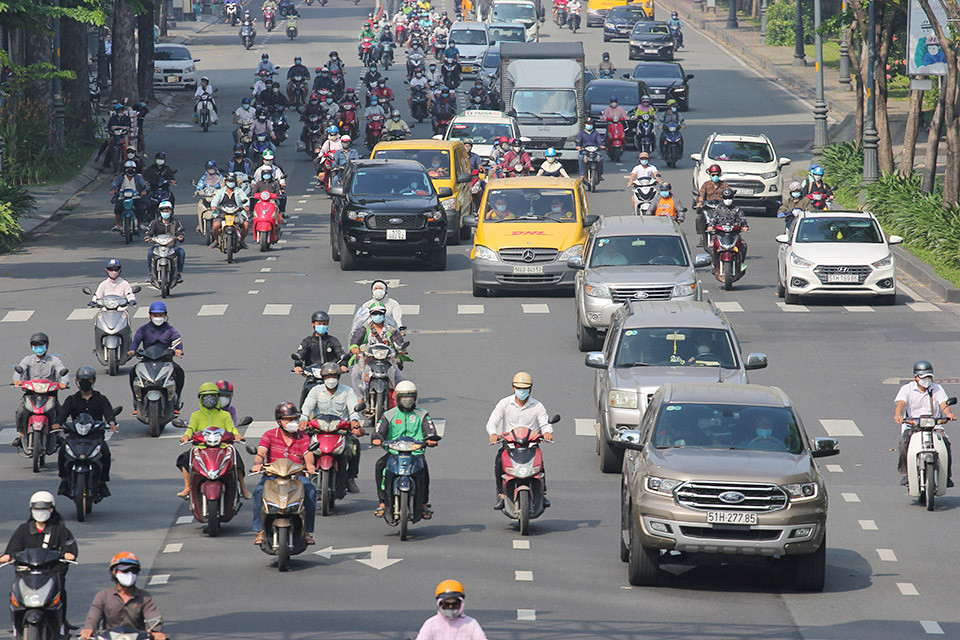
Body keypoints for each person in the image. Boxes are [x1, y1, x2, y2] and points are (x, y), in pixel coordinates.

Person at [2, 492, 78, 627]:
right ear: (31, 510)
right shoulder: (23, 529)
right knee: (15, 593)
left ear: (52, 509)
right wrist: (7, 556)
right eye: (37, 509)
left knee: (60, 590)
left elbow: (70, 548)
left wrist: (67, 554)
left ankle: (60, 623)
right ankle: (17, 624)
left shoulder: (60, 530)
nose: (40, 512)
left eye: (44, 508)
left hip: (51, 573)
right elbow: (12, 549)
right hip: (27, 574)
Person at [251, 403, 317, 545]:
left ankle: (307, 531)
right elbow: (261, 453)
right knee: (258, 491)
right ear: (279, 421)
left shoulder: (303, 437)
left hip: (296, 476)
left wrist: (310, 465)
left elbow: (308, 453)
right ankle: (260, 530)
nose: (293, 422)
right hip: (272, 476)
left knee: (310, 490)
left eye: (295, 418)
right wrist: (257, 464)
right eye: (288, 419)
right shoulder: (269, 435)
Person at [485, 372, 553, 510]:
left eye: (525, 388)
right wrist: (493, 434)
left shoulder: (538, 406)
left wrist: (547, 433)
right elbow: (492, 422)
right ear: (513, 388)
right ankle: (501, 494)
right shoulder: (504, 404)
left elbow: (545, 423)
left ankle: (542, 492)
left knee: (540, 465)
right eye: (518, 388)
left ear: (531, 389)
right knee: (499, 462)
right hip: (509, 446)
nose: (522, 391)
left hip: (531, 446)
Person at [371, 380, 438, 518]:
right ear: (397, 398)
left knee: (423, 470)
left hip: (416, 453)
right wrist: (377, 438)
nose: (407, 401)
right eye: (404, 398)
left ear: (415, 398)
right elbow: (379, 430)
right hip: (394, 453)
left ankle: (423, 503)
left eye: (410, 397)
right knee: (380, 466)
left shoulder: (422, 414)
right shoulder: (389, 415)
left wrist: (431, 439)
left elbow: (430, 429)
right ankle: (383, 502)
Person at [176, 383, 250, 499]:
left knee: (236, 459)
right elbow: (190, 428)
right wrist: (186, 436)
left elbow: (231, 427)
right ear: (200, 399)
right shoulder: (196, 415)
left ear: (217, 398)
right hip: (201, 448)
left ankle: (243, 487)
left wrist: (237, 435)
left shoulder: (224, 415)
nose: (209, 400)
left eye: (212, 397)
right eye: (205, 397)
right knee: (184, 459)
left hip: (222, 447)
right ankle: (187, 487)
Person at [299, 362, 363, 494]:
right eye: (327, 377)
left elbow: (353, 409)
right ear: (323, 378)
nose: (331, 379)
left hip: (340, 430)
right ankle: (302, 475)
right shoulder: (316, 391)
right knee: (303, 446)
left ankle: (351, 478)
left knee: (355, 446)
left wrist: (355, 422)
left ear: (338, 377)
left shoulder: (347, 391)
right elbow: (307, 406)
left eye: (333, 376)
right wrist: (304, 419)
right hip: (318, 429)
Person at [57, 367, 117, 499]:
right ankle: (63, 481)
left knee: (105, 454)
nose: (84, 382)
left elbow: (109, 413)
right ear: (77, 381)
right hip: (75, 437)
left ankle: (102, 482)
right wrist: (57, 424)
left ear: (93, 381)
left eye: (87, 380)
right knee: (62, 452)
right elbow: (62, 415)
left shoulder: (101, 398)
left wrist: (112, 423)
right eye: (81, 380)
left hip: (95, 437)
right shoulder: (71, 399)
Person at [895, 360, 957, 487]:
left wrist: (948, 414)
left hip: (934, 425)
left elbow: (944, 404)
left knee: (945, 444)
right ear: (916, 377)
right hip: (913, 425)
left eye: (929, 377)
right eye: (924, 377)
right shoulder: (907, 389)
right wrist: (898, 415)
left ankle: (946, 476)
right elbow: (901, 403)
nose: (927, 379)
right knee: (904, 442)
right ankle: (906, 473)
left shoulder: (937, 388)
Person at [80, 553, 166, 640]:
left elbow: (153, 618)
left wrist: (157, 632)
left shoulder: (144, 597)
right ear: (114, 572)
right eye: (125, 571)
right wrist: (88, 629)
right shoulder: (103, 596)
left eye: (134, 571)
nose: (130, 574)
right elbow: (93, 617)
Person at [13, 333, 69, 443]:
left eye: (41, 344)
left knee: (60, 411)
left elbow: (63, 371)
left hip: (49, 395)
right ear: (32, 347)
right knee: (20, 411)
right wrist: (17, 380)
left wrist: (64, 382)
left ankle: (57, 435)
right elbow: (19, 370)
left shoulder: (54, 360)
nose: (38, 347)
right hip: (31, 394)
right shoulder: (27, 360)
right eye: (36, 345)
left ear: (47, 346)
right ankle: (21, 434)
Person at [128, 301, 184, 404]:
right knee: (133, 373)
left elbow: (177, 340)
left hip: (166, 359)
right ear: (150, 316)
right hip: (147, 359)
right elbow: (136, 340)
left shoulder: (170, 330)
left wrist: (178, 350)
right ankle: (137, 400)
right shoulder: (143, 329)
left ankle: (176, 399)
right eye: (155, 315)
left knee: (179, 372)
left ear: (165, 315)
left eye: (161, 315)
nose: (158, 317)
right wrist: (132, 350)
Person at [349, 301, 406, 395]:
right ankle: (359, 398)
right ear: (371, 315)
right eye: (375, 313)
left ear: (384, 314)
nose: (378, 315)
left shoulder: (390, 329)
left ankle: (398, 399)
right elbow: (356, 338)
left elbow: (397, 339)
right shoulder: (365, 329)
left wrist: (401, 348)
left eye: (380, 313)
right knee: (355, 373)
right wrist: (354, 347)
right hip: (369, 359)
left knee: (399, 376)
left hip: (388, 359)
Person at [294, 310, 350, 404]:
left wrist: (343, 365)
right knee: (305, 391)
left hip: (330, 375)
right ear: (313, 324)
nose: (322, 326)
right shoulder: (307, 341)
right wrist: (298, 365)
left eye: (324, 324)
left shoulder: (333, 341)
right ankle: (302, 415)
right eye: (319, 323)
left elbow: (341, 353)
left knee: (342, 395)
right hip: (312, 377)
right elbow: (300, 353)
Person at [415, 580, 487, 640]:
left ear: (461, 604)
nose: (450, 607)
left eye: (455, 604)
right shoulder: (430, 624)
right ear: (439, 604)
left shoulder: (471, 624)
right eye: (446, 604)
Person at [145, 202, 186, 282]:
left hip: (171, 246)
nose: (165, 213)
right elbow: (150, 231)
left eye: (167, 211)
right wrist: (148, 237)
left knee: (181, 252)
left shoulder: (176, 222)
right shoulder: (155, 222)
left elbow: (180, 232)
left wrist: (180, 237)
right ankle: (150, 273)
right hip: (158, 246)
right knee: (150, 253)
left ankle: (178, 273)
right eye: (163, 211)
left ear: (171, 211)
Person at [209, 172, 251, 249]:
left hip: (237, 213)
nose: (230, 183)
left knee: (246, 225)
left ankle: (242, 241)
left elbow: (245, 199)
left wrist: (246, 206)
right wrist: (214, 206)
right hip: (223, 213)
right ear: (226, 182)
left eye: (232, 181)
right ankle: (216, 241)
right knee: (215, 226)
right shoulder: (221, 192)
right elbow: (214, 202)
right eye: (229, 181)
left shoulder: (239, 191)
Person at [710, 187, 748, 263]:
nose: (728, 200)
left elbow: (742, 218)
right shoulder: (718, 208)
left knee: (743, 245)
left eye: (729, 198)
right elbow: (713, 218)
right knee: (712, 246)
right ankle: (714, 264)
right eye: (726, 198)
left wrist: (744, 226)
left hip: (734, 234)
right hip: (720, 234)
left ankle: (741, 263)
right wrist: (710, 226)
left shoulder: (737, 209)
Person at [110, 161, 149, 231]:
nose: (130, 169)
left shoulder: (138, 177)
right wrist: (113, 189)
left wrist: (144, 190)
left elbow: (144, 184)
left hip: (135, 196)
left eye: (132, 168)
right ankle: (117, 224)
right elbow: (115, 184)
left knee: (141, 208)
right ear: (125, 169)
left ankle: (140, 223)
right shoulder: (121, 177)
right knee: (118, 208)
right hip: (122, 196)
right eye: (128, 168)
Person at [98, 104, 132, 172]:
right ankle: (104, 165)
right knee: (110, 148)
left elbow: (128, 126)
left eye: (121, 110)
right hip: (115, 136)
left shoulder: (127, 118)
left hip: (123, 135)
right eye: (119, 111)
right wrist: (111, 131)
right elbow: (109, 126)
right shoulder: (113, 118)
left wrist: (125, 130)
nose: (120, 112)